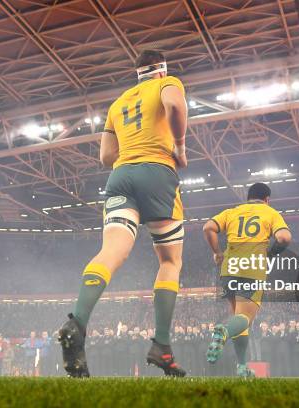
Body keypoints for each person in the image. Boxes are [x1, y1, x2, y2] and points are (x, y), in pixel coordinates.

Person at [58, 49, 188, 378]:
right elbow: (175, 105)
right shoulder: (167, 82)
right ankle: (161, 345)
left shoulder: (117, 104)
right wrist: (181, 145)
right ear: (161, 70)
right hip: (157, 172)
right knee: (170, 261)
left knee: (111, 251)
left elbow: (105, 156)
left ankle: (77, 323)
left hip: (119, 177)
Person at [202, 182, 292, 377]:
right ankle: (224, 332)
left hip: (229, 269)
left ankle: (242, 367)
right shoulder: (270, 213)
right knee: (245, 318)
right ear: (267, 199)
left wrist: (217, 253)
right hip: (252, 269)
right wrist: (269, 254)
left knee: (238, 316)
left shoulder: (232, 212)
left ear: (248, 197)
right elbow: (284, 237)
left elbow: (208, 227)